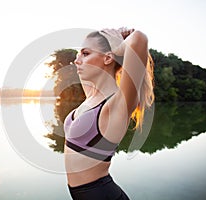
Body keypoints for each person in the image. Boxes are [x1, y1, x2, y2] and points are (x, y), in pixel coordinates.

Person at [63, 27, 154, 200]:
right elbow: (84, 65)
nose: (77, 60)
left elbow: (139, 39)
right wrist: (106, 46)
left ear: (108, 57)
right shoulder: (91, 94)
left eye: (85, 53)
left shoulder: (117, 104)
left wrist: (117, 46)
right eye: (79, 54)